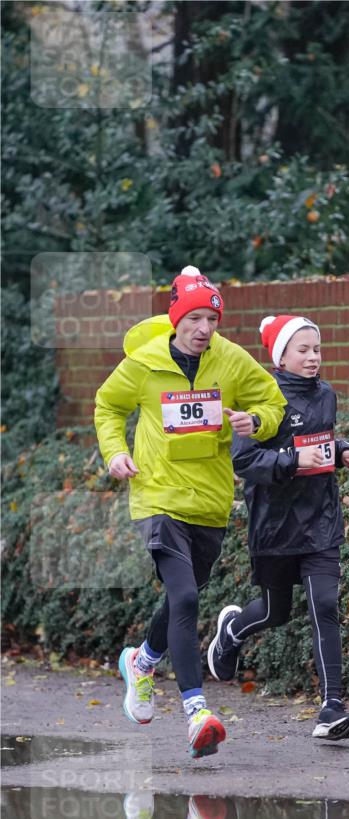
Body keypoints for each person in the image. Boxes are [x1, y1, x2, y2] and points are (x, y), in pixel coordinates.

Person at [94, 267, 287, 759]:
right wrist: (115, 451)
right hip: (157, 497)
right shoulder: (144, 362)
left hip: (210, 501)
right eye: (195, 318)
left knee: (186, 595)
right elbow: (108, 405)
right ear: (175, 317)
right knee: (183, 596)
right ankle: (196, 711)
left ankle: (142, 661)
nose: (204, 329)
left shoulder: (231, 360)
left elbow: (273, 401)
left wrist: (256, 421)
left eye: (212, 319)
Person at [207, 314, 349, 740]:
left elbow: (321, 439)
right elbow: (244, 461)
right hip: (275, 525)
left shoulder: (326, 394)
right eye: (303, 349)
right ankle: (233, 630)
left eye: (317, 349)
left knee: (325, 606)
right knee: (276, 612)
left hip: (321, 520)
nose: (313, 357)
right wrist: (293, 463)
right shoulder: (261, 397)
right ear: (280, 356)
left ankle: (332, 708)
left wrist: (343, 450)